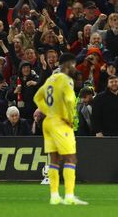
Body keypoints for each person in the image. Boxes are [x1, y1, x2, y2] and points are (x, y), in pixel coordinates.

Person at [33, 53, 88, 205]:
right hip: (60, 123)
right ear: (67, 64)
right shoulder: (66, 79)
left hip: (48, 122)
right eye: (73, 64)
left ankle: (54, 196)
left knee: (54, 159)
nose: (74, 68)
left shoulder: (51, 79)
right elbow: (70, 100)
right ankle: (69, 196)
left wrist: (47, 111)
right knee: (71, 158)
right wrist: (69, 119)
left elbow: (37, 97)